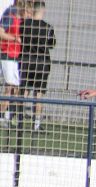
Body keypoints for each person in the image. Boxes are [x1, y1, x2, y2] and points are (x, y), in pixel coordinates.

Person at [19, 0, 55, 132]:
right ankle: (37, 124)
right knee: (38, 94)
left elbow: (20, 39)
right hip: (42, 63)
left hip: (26, 61)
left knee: (24, 92)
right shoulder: (48, 27)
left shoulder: (24, 25)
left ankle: (19, 120)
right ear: (43, 10)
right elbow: (52, 44)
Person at [0, 0, 25, 128]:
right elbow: (1, 33)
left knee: (16, 88)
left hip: (17, 56)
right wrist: (16, 38)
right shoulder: (10, 13)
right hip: (7, 54)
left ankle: (9, 115)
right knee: (9, 87)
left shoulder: (22, 15)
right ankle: (2, 115)